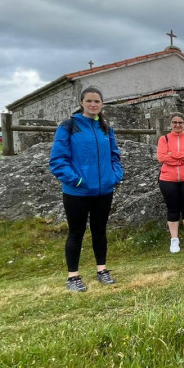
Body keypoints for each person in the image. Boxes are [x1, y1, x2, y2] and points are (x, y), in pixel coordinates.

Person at [49, 86, 124, 292]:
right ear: (82, 102)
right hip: (77, 192)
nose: (93, 104)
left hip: (104, 191)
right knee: (76, 233)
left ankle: (102, 270)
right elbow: (58, 160)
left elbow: (114, 156)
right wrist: (77, 181)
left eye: (97, 101)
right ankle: (73, 277)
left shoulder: (106, 129)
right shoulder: (69, 126)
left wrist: (114, 177)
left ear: (102, 104)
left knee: (100, 231)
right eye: (89, 101)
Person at [157, 113, 184, 253]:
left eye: (180, 122)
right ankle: (174, 239)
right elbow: (161, 157)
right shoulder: (163, 139)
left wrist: (173, 154)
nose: (177, 125)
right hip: (168, 179)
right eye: (174, 122)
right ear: (170, 124)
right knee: (172, 208)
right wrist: (183, 158)